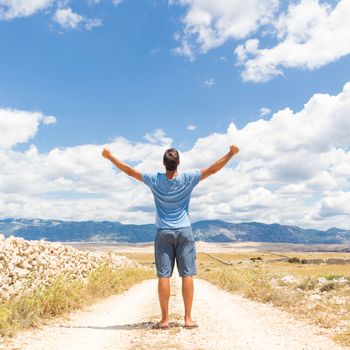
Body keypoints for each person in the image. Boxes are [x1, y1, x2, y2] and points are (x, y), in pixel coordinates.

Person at [102, 144, 239, 329]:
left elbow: (129, 171)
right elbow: (213, 169)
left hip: (163, 232)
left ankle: (165, 320)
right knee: (187, 274)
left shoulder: (154, 179)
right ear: (178, 163)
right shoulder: (188, 178)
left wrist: (109, 156)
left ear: (163, 164)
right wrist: (230, 153)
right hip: (184, 230)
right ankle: (188, 319)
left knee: (164, 275)